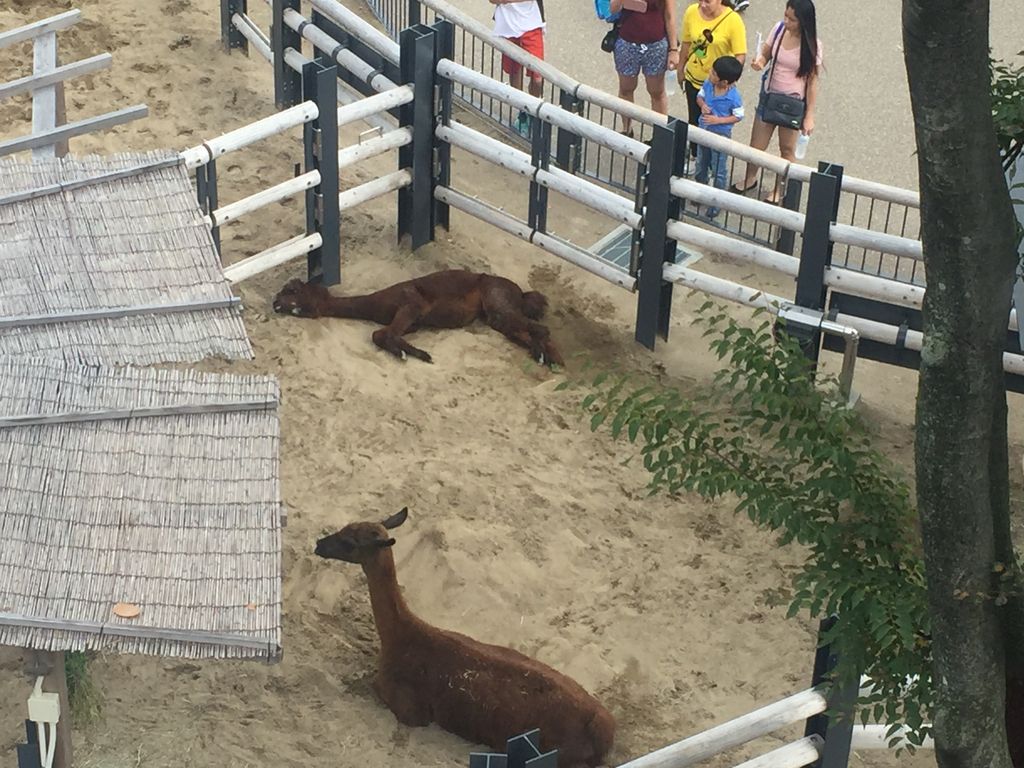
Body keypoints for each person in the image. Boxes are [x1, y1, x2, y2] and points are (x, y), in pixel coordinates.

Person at [731, 0, 822, 203]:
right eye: (785, 15)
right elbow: (766, 52)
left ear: (803, 22)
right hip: (769, 95)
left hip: (793, 102)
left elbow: (813, 81)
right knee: (756, 145)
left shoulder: (812, 45)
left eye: (792, 19)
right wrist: (760, 62)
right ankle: (750, 178)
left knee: (787, 149)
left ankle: (779, 189)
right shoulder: (779, 29)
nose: (786, 21)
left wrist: (809, 115)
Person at [679, 0, 746, 167]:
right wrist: (681, 69)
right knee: (694, 119)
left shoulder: (733, 20)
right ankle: (696, 156)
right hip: (694, 79)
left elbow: (740, 55)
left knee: (715, 124)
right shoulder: (691, 12)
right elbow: (686, 44)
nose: (702, 4)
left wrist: (731, 79)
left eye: (707, 1)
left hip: (717, 86)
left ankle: (712, 163)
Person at [609, 0, 679, 137]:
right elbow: (613, 9)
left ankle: (659, 136)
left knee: (657, 92)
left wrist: (673, 49)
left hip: (656, 44)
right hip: (627, 43)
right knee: (626, 89)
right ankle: (627, 130)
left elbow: (670, 15)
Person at [695, 55, 744, 218]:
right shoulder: (708, 84)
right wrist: (702, 105)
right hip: (703, 131)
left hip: (720, 136)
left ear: (724, 82)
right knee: (701, 163)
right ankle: (699, 193)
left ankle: (717, 202)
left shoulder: (733, 97)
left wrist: (719, 120)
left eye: (714, 73)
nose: (710, 73)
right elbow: (699, 97)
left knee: (719, 170)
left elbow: (738, 116)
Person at [490, 0, 546, 137]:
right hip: (507, 27)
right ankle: (522, 111)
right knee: (515, 71)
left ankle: (532, 110)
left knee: (538, 77)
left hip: (532, 25)